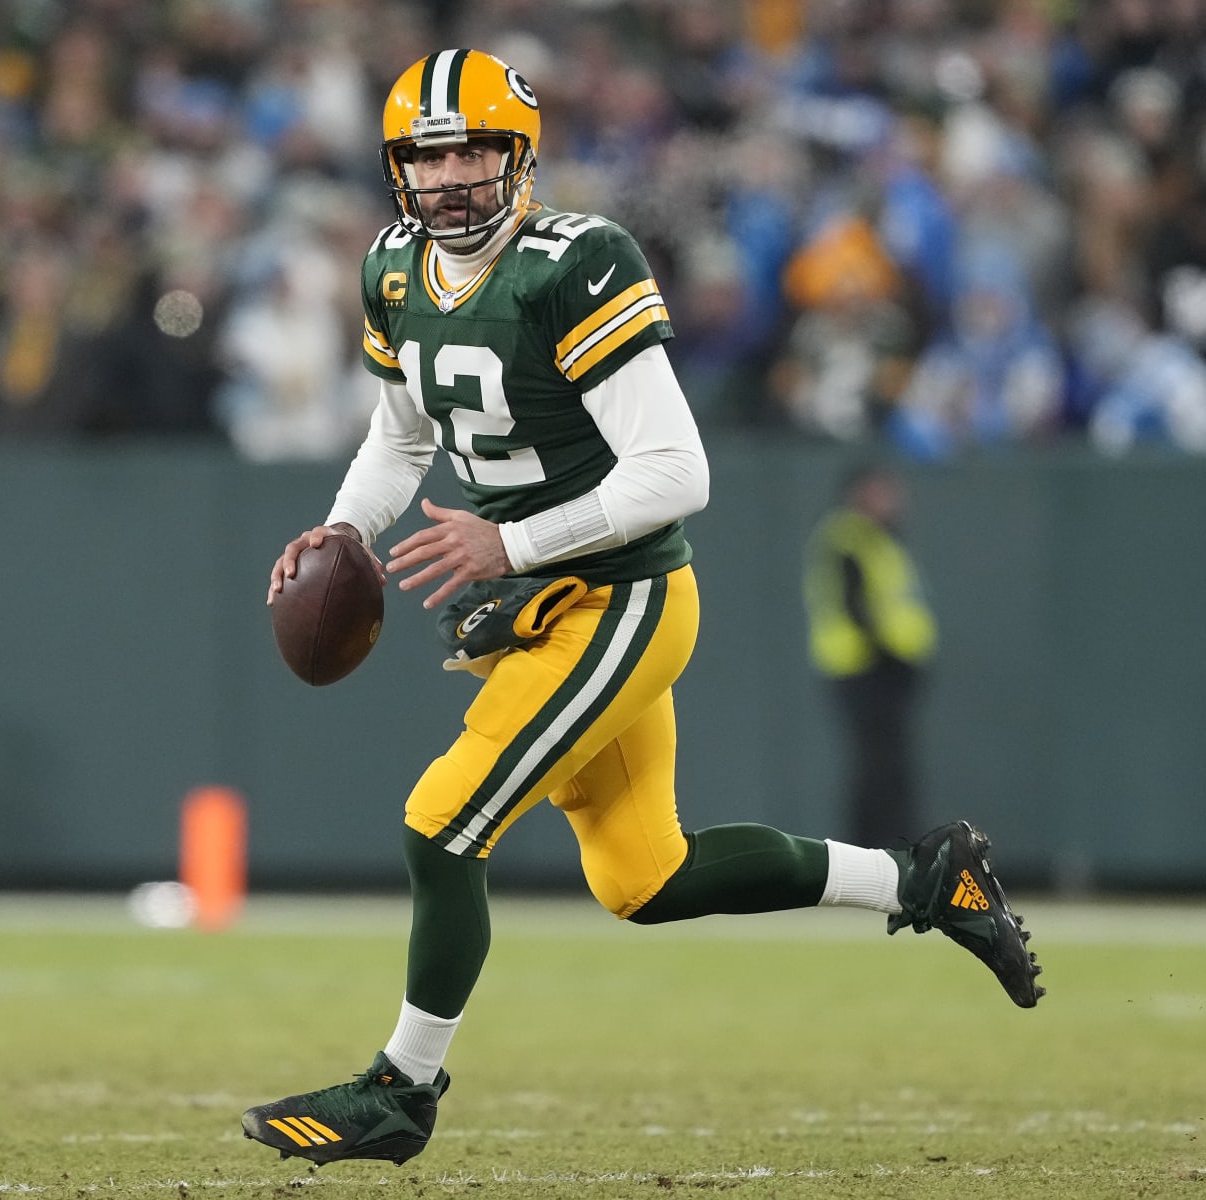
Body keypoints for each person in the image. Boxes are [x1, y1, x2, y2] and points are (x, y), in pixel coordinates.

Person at [246, 49, 1042, 1169]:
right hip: (541, 604)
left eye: (474, 148)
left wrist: (508, 539)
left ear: (518, 157)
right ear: (397, 170)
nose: (454, 175)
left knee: (442, 822)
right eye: (430, 155)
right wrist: (344, 530)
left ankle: (402, 1090)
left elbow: (678, 473)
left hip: (620, 596)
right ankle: (925, 878)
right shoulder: (390, 269)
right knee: (646, 879)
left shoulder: (574, 263)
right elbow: (401, 436)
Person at [803, 464, 938, 848]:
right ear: (858, 494)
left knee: (890, 767)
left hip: (885, 671)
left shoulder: (879, 540)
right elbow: (856, 605)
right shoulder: (846, 539)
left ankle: (894, 847)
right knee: (877, 768)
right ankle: (874, 849)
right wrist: (891, 655)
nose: (891, 501)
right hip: (863, 669)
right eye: (881, 492)